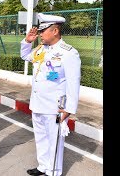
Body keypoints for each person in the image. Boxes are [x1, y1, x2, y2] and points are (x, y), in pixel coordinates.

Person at [20, 13, 81, 176]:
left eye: (43, 30)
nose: (40, 34)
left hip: (55, 107)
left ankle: (53, 171)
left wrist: (69, 108)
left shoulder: (68, 53)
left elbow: (73, 83)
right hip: (38, 103)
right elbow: (25, 56)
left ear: (55, 31)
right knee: (40, 138)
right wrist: (27, 41)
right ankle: (43, 166)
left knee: (54, 141)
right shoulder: (40, 49)